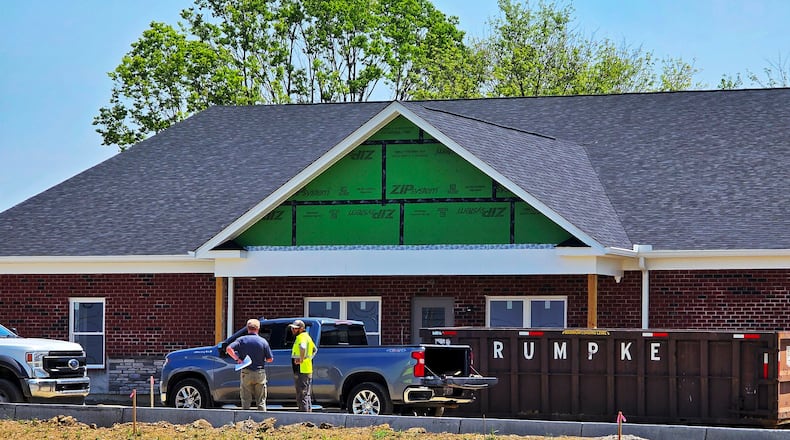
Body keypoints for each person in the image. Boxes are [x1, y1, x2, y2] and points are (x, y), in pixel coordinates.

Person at [226, 318, 274, 411]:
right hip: (260, 372)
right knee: (261, 400)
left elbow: (228, 349)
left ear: (247, 328)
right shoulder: (263, 341)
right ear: (258, 328)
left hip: (246, 372)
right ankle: (263, 421)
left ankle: (245, 421)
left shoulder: (241, 340)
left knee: (245, 399)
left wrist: (237, 359)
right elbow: (270, 359)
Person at [289, 319, 317, 412]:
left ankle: (303, 417)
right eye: (292, 328)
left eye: (295, 328)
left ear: (301, 329)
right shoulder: (307, 336)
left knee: (301, 395)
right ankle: (308, 416)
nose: (293, 330)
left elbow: (303, 347)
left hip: (301, 370)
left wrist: (301, 359)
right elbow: (314, 350)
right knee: (306, 394)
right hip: (306, 369)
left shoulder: (301, 337)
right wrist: (307, 359)